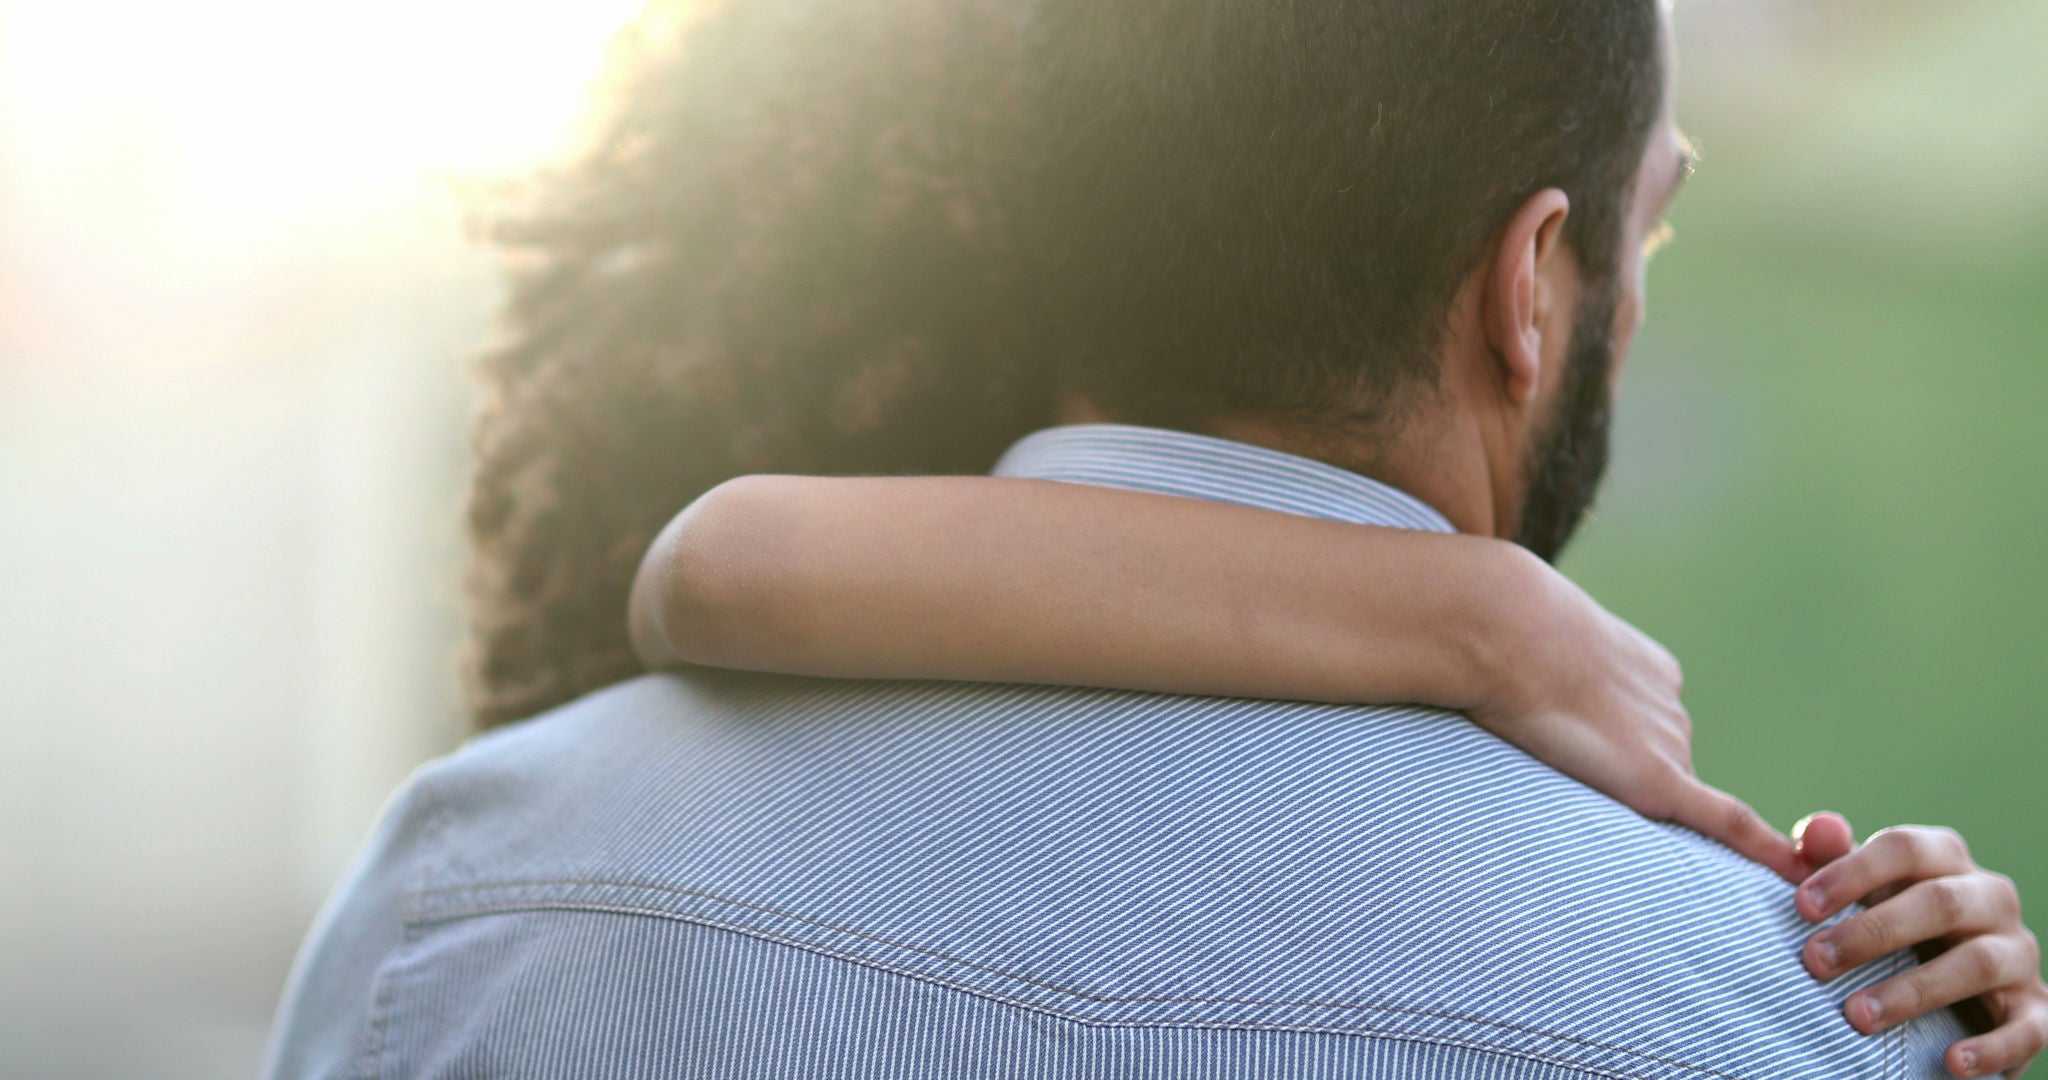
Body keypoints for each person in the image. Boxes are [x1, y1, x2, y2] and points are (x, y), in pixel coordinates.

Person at [266, 0, 2046, 1076]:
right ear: (1529, 287)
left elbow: (718, 563)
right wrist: (1479, 615)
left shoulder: (460, 894)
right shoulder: (1796, 1013)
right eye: (1643, 239)